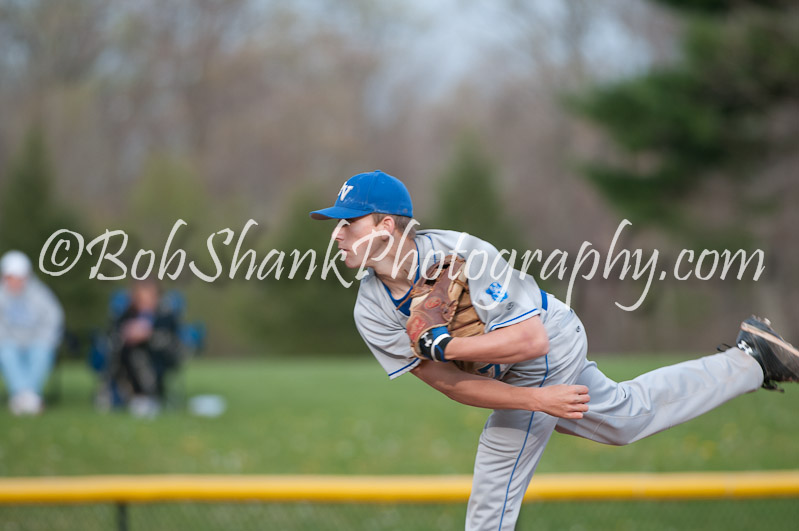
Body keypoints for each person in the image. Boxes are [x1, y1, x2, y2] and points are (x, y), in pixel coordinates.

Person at [310, 170, 799, 531]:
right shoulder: (371, 309)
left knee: (496, 477)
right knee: (625, 418)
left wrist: (453, 344)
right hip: (509, 375)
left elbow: (531, 340)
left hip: (549, 344)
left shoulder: (462, 253)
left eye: (347, 223)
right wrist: (533, 400)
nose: (336, 234)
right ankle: (751, 360)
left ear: (387, 227)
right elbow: (450, 383)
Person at [104, 279, 181, 417]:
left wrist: (148, 335)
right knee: (126, 349)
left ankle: (146, 395)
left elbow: (173, 340)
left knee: (138, 352)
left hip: (158, 358)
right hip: (126, 358)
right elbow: (114, 332)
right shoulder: (127, 314)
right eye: (140, 297)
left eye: (148, 296)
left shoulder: (165, 315)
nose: (144, 301)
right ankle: (126, 394)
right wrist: (127, 333)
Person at [0, 250, 64, 415]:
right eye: (11, 277)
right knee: (6, 351)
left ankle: (24, 397)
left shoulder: (40, 294)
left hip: (37, 341)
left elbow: (53, 319)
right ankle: (27, 396)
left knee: (42, 351)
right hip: (9, 342)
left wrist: (45, 340)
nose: (15, 282)